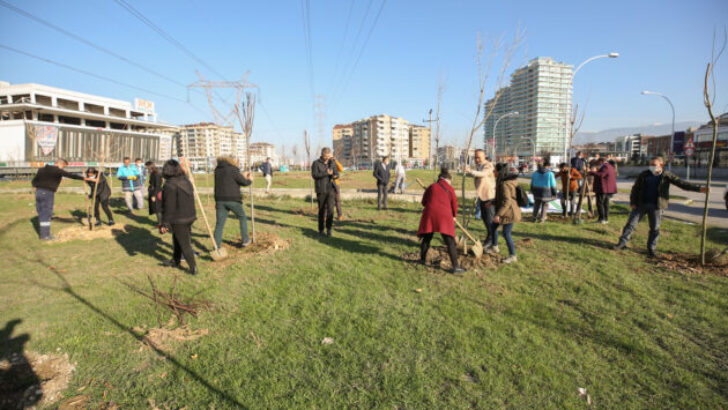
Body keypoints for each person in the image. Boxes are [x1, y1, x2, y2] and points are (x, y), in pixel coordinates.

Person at [614, 157, 706, 258]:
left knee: (654, 228)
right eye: (650, 164)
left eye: (654, 165)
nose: (651, 167)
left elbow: (682, 184)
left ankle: (651, 249)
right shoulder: (644, 174)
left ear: (661, 165)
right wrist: (633, 202)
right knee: (630, 224)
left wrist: (699, 189)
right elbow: (635, 188)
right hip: (641, 204)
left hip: (656, 206)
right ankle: (622, 243)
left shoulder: (666, 176)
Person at [417, 168, 465, 274]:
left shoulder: (431, 186)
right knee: (450, 242)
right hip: (444, 216)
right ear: (447, 179)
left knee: (427, 238)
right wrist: (454, 215)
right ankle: (456, 267)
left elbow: (424, 202)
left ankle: (422, 260)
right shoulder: (450, 188)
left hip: (430, 216)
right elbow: (454, 205)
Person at [31, 159, 89, 240]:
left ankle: (45, 233)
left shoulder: (42, 169)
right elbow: (71, 175)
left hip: (38, 192)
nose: (63, 168)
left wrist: (37, 190)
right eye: (64, 166)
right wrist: (84, 178)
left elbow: (34, 181)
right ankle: (45, 236)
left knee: (41, 212)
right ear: (60, 164)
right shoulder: (57, 171)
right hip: (47, 192)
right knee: (46, 213)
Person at [160, 160, 198, 275]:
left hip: (179, 218)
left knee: (185, 244)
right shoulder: (185, 180)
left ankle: (193, 268)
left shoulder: (169, 185)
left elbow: (168, 206)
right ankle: (175, 261)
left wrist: (165, 223)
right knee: (177, 238)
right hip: (189, 216)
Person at [213, 156, 254, 248]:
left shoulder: (217, 170)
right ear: (233, 161)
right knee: (242, 217)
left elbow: (230, 181)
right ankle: (245, 240)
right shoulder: (233, 169)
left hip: (220, 200)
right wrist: (250, 179)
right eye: (238, 162)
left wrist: (241, 175)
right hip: (233, 199)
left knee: (219, 224)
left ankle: (216, 247)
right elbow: (243, 182)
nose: (238, 164)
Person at [489, 163, 521, 264]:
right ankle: (494, 247)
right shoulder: (504, 182)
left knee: (506, 233)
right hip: (507, 210)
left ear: (499, 172)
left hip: (509, 212)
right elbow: (503, 198)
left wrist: (498, 215)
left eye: (495, 170)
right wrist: (492, 202)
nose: (493, 172)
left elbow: (507, 201)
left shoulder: (504, 184)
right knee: (493, 227)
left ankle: (513, 255)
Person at [465, 149, 496, 246]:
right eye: (475, 157)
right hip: (482, 196)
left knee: (489, 219)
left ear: (484, 156)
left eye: (479, 157)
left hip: (489, 196)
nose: (477, 159)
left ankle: (492, 240)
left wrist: (471, 171)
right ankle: (490, 236)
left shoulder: (488, 165)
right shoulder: (479, 165)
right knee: (484, 217)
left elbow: (483, 174)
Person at [312, 147, 339, 236]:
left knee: (331, 210)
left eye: (328, 156)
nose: (327, 158)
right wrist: (326, 173)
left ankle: (329, 229)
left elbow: (336, 174)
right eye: (325, 156)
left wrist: (335, 175)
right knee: (321, 210)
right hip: (321, 189)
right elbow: (315, 175)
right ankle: (321, 229)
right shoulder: (316, 163)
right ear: (322, 154)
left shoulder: (332, 162)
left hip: (331, 189)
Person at [589, 157, 617, 224]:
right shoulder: (610, 166)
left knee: (600, 203)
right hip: (607, 189)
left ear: (601, 161)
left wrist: (591, 172)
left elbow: (601, 175)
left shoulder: (605, 166)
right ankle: (605, 219)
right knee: (605, 204)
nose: (597, 164)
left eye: (598, 162)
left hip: (603, 188)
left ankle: (602, 219)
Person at [332, 157, 344, 221]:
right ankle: (326, 216)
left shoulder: (335, 163)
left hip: (336, 184)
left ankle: (339, 215)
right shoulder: (326, 163)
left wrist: (336, 161)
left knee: (337, 200)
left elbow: (341, 169)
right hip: (328, 184)